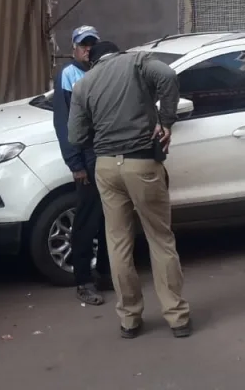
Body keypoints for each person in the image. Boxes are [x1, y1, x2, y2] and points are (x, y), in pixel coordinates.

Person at [68, 41, 192, 339]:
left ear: (93, 61)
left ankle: (129, 319)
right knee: (160, 239)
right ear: (118, 52)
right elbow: (168, 77)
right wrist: (166, 121)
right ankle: (176, 317)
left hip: (107, 168)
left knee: (118, 242)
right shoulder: (137, 62)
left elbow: (76, 135)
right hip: (142, 163)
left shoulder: (84, 84)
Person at [52, 25, 111, 305]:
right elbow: (64, 125)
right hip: (86, 158)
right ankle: (83, 281)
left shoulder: (102, 71)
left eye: (92, 44)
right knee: (86, 220)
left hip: (108, 155)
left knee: (111, 218)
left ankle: (107, 275)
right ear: (74, 48)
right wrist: (75, 163)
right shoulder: (68, 75)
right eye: (83, 45)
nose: (88, 49)